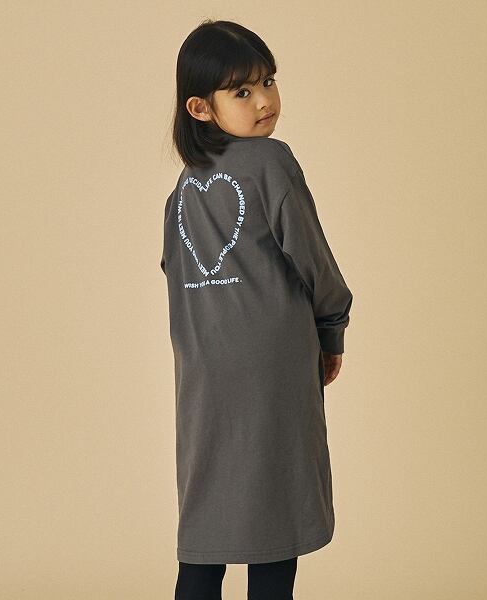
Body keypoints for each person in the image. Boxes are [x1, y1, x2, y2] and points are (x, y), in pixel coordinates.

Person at [160, 19, 354, 600]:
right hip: (271, 365)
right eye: (242, 91)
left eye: (269, 81)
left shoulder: (183, 189)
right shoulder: (271, 162)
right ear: (200, 107)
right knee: (275, 510)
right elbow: (312, 259)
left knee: (209, 516)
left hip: (203, 374)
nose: (265, 100)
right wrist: (331, 330)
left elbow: (175, 271)